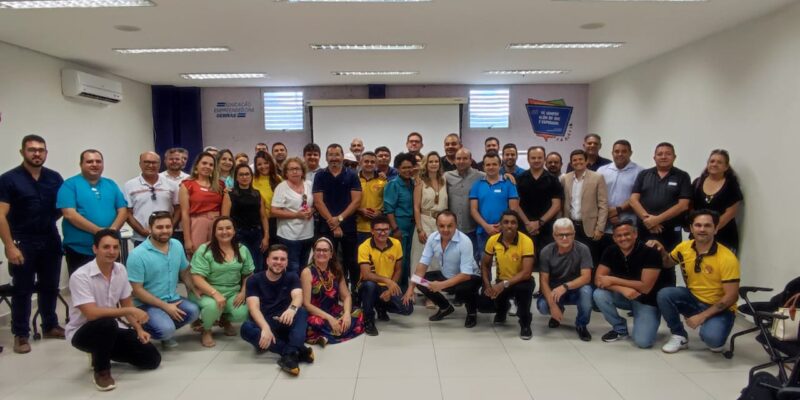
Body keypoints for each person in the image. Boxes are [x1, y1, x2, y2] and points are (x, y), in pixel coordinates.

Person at [66, 229, 160, 391]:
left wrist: (138, 329)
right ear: (95, 249)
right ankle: (102, 371)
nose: (112, 251)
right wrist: (128, 311)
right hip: (82, 332)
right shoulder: (80, 276)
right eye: (106, 247)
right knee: (106, 323)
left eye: (115, 247)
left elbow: (126, 303)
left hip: (111, 329)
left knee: (151, 359)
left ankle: (101, 351)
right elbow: (91, 314)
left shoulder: (120, 270)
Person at [0, 135, 65, 353]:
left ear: (46, 153)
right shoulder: (8, 179)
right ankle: (21, 334)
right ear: (22, 152)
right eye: (32, 149)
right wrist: (10, 246)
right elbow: (0, 215)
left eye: (41, 150)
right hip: (22, 240)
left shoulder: (54, 178)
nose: (37, 153)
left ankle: (50, 325)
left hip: (50, 237)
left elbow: (61, 208)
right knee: (22, 288)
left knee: (50, 285)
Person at [648, 209, 740, 353]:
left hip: (721, 307)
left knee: (713, 342)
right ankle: (679, 335)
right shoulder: (684, 248)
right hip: (693, 298)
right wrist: (661, 250)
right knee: (665, 294)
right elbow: (667, 263)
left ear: (716, 229)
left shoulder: (727, 258)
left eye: (707, 225)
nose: (702, 229)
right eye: (698, 225)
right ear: (691, 228)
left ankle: (714, 329)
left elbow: (732, 296)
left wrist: (701, 317)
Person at [126, 211, 200, 348]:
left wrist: (194, 290)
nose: (165, 231)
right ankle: (143, 328)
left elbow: (184, 272)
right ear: (150, 228)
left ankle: (164, 326)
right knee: (166, 330)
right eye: (159, 227)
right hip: (146, 304)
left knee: (194, 310)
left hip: (172, 298)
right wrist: (165, 307)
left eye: (168, 227)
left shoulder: (176, 245)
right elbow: (137, 290)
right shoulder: (137, 255)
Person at [240, 245, 314, 376]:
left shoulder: (292, 277)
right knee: (246, 328)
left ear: (286, 262)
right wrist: (265, 328)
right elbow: (253, 308)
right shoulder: (253, 280)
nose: (279, 262)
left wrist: (292, 309)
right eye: (275, 258)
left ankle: (289, 354)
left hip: (285, 320)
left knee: (301, 312)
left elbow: (298, 296)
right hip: (264, 322)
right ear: (267, 260)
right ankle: (295, 351)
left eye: (282, 259)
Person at [593, 221, 668, 348]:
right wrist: (622, 289)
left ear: (635, 234)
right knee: (599, 294)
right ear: (614, 238)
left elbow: (645, 287)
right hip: (624, 297)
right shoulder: (610, 250)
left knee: (643, 342)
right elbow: (598, 280)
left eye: (627, 234)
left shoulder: (650, 252)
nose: (623, 238)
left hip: (647, 300)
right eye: (619, 235)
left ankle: (650, 316)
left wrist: (614, 280)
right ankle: (620, 329)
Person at [403, 211, 482, 328]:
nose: (445, 230)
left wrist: (441, 285)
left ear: (456, 225)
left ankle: (471, 313)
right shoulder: (432, 238)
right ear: (437, 225)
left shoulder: (465, 241)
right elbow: (422, 264)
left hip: (469, 278)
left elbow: (466, 274)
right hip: (447, 275)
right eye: (441, 226)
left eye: (450, 226)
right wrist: (411, 288)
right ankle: (445, 307)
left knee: (464, 288)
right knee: (420, 281)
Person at [629, 142, 692, 286]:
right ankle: (644, 298)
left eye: (668, 154)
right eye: (660, 154)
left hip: (670, 232)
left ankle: (666, 298)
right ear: (654, 157)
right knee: (642, 264)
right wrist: (647, 220)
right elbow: (633, 200)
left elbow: (683, 205)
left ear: (674, 157)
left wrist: (656, 220)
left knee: (667, 266)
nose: (663, 156)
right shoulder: (644, 174)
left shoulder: (682, 176)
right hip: (645, 230)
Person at [57, 149, 127, 275]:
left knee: (112, 283)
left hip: (110, 249)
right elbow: (69, 214)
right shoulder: (70, 185)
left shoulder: (111, 184)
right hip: (80, 250)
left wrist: (112, 231)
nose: (94, 164)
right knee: (82, 284)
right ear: (81, 164)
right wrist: (99, 232)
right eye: (89, 161)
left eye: (98, 161)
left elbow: (123, 210)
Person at [190, 216, 254, 347]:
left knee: (243, 312)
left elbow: (248, 273)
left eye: (228, 228)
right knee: (212, 306)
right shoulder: (204, 250)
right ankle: (207, 330)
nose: (224, 232)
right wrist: (215, 293)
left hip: (232, 292)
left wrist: (243, 291)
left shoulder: (242, 249)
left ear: (234, 231)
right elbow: (197, 278)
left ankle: (224, 319)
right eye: (220, 229)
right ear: (214, 232)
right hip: (206, 292)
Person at [313, 144, 362, 292]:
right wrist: (333, 223)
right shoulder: (320, 175)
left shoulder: (352, 175)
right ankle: (330, 293)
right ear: (326, 157)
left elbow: (356, 201)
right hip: (326, 227)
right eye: (331, 155)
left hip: (348, 226)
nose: (334, 158)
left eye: (337, 155)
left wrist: (339, 219)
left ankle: (355, 295)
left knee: (352, 262)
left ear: (342, 156)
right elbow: (318, 202)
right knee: (328, 261)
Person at [480, 210, 534, 340]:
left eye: (513, 222)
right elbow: (485, 265)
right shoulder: (493, 240)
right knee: (483, 304)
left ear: (517, 225)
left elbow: (526, 273)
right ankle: (502, 310)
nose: (509, 225)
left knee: (523, 291)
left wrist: (503, 285)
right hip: (501, 280)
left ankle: (525, 323)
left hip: (521, 281)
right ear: (500, 224)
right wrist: (487, 285)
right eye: (506, 222)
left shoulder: (526, 241)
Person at [536, 218, 594, 341]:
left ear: (574, 234)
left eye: (568, 234)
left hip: (575, 289)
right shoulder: (546, 251)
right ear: (554, 235)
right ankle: (558, 311)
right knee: (543, 306)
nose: (564, 238)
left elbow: (586, 277)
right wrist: (553, 306)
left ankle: (581, 324)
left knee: (587, 291)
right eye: (560, 235)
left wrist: (565, 287)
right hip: (554, 291)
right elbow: (543, 281)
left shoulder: (583, 249)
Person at [301, 237, 364, 346]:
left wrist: (347, 314)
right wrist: (330, 318)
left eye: (325, 250)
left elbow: (346, 296)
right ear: (314, 253)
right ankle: (333, 332)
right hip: (316, 313)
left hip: (333, 310)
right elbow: (306, 304)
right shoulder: (307, 272)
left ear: (331, 254)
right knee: (314, 323)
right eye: (318, 250)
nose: (321, 253)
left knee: (358, 312)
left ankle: (327, 335)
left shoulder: (336, 270)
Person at [358, 216, 414, 336]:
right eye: (379, 229)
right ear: (372, 231)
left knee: (407, 308)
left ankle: (380, 306)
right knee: (369, 285)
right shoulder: (364, 247)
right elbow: (366, 275)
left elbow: (398, 270)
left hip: (388, 285)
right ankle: (368, 319)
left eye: (386, 229)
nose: (383, 233)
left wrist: (390, 289)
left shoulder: (396, 243)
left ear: (389, 230)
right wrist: (387, 281)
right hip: (371, 285)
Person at [469, 152, 521, 259]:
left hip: (505, 231)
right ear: (483, 167)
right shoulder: (477, 185)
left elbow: (514, 209)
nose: (491, 167)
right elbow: (473, 210)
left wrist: (502, 225)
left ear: (500, 165)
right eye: (488, 165)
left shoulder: (509, 184)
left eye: (494, 164)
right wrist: (486, 226)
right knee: (484, 263)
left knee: (505, 262)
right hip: (483, 231)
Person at [560, 149, 608, 265]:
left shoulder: (597, 177)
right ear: (571, 163)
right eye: (574, 160)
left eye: (580, 159)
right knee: (572, 257)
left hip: (590, 227)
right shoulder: (565, 178)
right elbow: (562, 203)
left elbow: (603, 204)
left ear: (586, 161)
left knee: (590, 258)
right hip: (571, 225)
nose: (578, 162)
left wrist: (600, 228)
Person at [597, 140, 643, 257]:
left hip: (629, 227)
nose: (620, 154)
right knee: (606, 259)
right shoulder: (601, 171)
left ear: (630, 153)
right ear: (612, 153)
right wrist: (609, 213)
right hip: (605, 227)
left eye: (624, 151)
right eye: (617, 151)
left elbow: (639, 197)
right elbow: (595, 195)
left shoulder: (640, 172)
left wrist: (617, 210)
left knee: (628, 260)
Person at [691, 149, 743, 253]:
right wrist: (699, 228)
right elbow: (691, 207)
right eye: (712, 161)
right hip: (699, 235)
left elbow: (731, 212)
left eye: (719, 162)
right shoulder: (697, 182)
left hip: (724, 236)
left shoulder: (731, 185)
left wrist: (711, 230)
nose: (714, 164)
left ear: (726, 167)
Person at [124, 151, 180, 247]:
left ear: (160, 164)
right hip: (141, 238)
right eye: (147, 162)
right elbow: (127, 213)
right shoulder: (129, 185)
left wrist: (169, 228)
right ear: (140, 164)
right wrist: (142, 231)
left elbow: (178, 209)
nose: (150, 165)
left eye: (154, 162)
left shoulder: (172, 185)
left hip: (166, 237)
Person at [516, 146, 563, 258]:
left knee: (546, 260)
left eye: (539, 157)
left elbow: (556, 205)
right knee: (525, 259)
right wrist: (528, 223)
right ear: (528, 159)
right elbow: (515, 204)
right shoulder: (519, 179)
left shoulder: (553, 179)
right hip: (524, 227)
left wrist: (539, 223)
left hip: (547, 228)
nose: (536, 160)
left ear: (544, 159)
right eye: (533, 158)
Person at [222, 164, 269, 273]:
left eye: (247, 174)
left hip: (256, 234)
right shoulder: (229, 194)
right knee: (241, 267)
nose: (244, 177)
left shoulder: (257, 194)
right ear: (236, 177)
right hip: (238, 234)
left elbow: (263, 217)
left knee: (257, 266)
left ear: (251, 176)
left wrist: (266, 236)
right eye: (241, 174)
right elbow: (225, 219)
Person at [271, 157, 315, 274]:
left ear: (302, 171)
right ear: (286, 172)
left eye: (297, 168)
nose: (294, 172)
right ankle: (294, 286)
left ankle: (303, 286)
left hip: (308, 234)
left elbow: (315, 204)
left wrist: (312, 210)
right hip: (289, 235)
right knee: (292, 268)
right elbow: (274, 211)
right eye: (291, 169)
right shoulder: (281, 187)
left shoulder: (309, 184)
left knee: (305, 268)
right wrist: (296, 215)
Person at [179, 151, 224, 256]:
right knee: (197, 256)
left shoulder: (220, 185)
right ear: (197, 165)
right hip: (198, 223)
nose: (207, 166)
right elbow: (184, 213)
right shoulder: (187, 185)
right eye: (204, 163)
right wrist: (187, 239)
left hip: (217, 223)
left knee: (217, 256)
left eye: (211, 165)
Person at [444, 148, 485, 262]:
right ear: (454, 161)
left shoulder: (480, 176)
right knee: (453, 261)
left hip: (472, 229)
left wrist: (506, 175)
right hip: (453, 229)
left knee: (473, 261)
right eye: (458, 158)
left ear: (471, 160)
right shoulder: (446, 176)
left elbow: (495, 177)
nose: (461, 161)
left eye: (465, 158)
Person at [383, 152, 416, 290]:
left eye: (410, 167)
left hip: (413, 225)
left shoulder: (414, 183)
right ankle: (397, 290)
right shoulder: (393, 184)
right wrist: (395, 229)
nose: (408, 170)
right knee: (400, 259)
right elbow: (388, 209)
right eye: (404, 168)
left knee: (410, 259)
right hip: (399, 225)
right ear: (397, 168)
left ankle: (408, 289)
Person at [411, 151, 448, 275]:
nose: (434, 164)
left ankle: (437, 284)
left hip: (441, 222)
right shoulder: (420, 181)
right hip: (425, 221)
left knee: (439, 255)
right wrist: (419, 229)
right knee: (423, 255)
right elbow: (416, 207)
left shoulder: (444, 180)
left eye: (436, 161)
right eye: (430, 162)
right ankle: (419, 284)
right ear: (425, 164)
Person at [253, 151, 282, 247]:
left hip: (277, 222)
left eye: (266, 163)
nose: (263, 166)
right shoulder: (252, 180)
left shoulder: (278, 179)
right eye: (259, 164)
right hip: (259, 222)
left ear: (271, 163)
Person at [356, 152, 386, 244]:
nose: (369, 164)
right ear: (360, 163)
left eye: (372, 162)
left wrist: (380, 212)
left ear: (376, 164)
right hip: (357, 227)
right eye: (366, 161)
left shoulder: (383, 181)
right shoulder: (354, 179)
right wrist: (359, 210)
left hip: (378, 228)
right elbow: (348, 201)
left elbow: (388, 203)